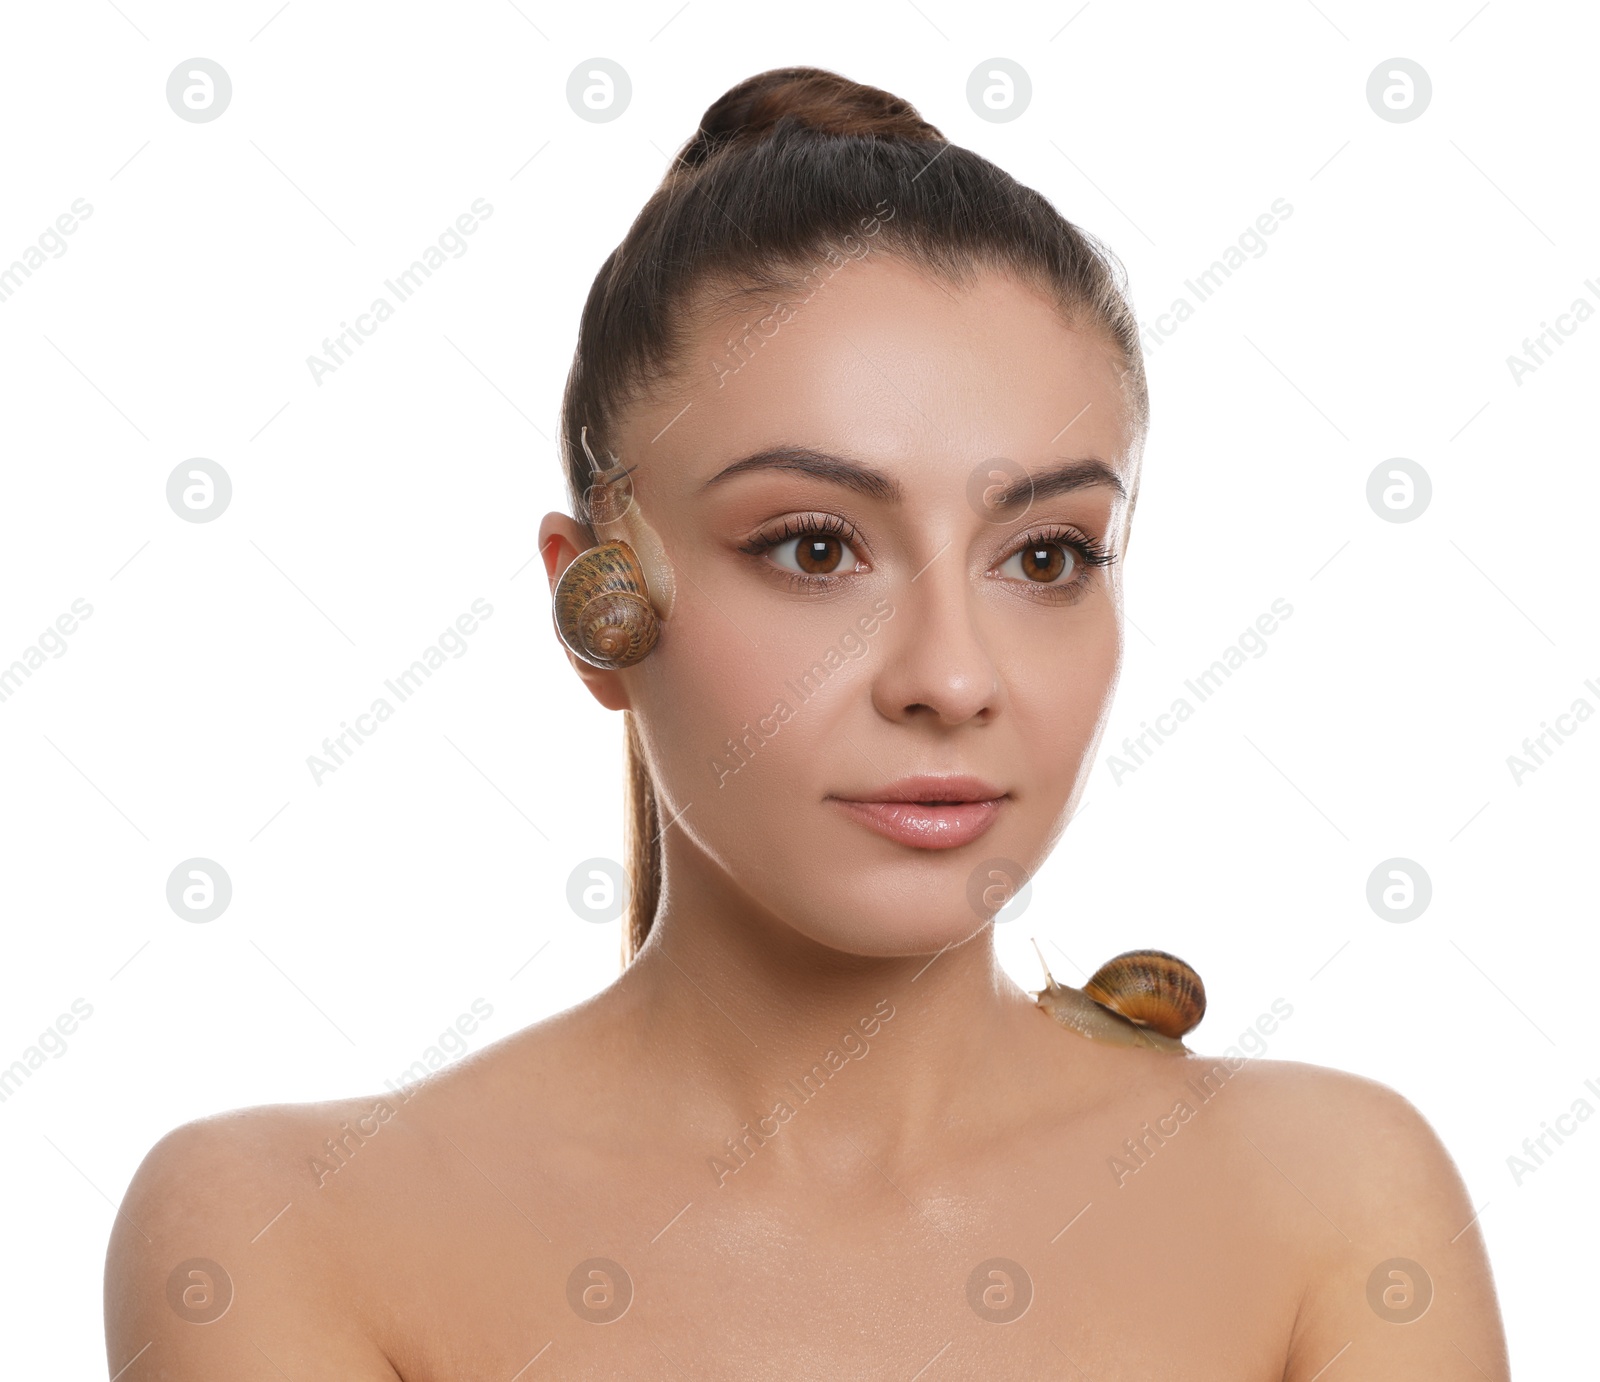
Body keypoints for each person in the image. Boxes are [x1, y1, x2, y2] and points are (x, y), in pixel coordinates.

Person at [105, 66, 1510, 1379]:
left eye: (1045, 554)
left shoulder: (1337, 1198)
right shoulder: (281, 1230)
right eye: (815, 547)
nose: (951, 679)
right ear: (599, 602)